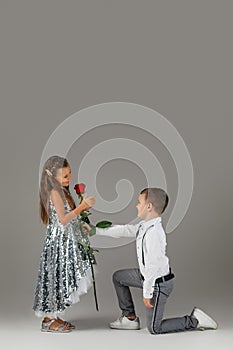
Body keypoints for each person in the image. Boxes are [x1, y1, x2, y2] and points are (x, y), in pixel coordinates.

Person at [93, 188, 217, 334]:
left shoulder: (154, 233)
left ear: (149, 206)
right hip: (147, 276)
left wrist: (147, 293)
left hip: (158, 283)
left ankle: (194, 320)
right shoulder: (144, 225)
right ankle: (130, 318)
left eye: (139, 202)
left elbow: (153, 265)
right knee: (119, 277)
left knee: (155, 328)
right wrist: (96, 231)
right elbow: (126, 230)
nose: (136, 206)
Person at [33, 155, 96, 333]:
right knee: (55, 278)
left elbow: (69, 219)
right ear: (53, 177)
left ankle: (55, 315)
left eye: (70, 174)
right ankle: (47, 319)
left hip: (66, 240)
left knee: (61, 278)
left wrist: (80, 225)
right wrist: (82, 207)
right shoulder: (54, 193)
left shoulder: (61, 191)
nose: (69, 179)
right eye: (65, 176)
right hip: (58, 243)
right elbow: (62, 219)